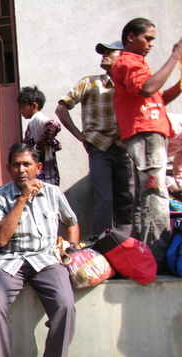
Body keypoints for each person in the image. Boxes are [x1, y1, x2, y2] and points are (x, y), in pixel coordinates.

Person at [0, 143, 78, 357]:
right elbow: (0, 239)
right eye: (15, 164)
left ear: (39, 167)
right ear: (8, 169)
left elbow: (71, 222)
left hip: (47, 259)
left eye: (26, 164)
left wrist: (72, 246)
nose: (21, 169)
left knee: (65, 304)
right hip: (9, 261)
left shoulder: (53, 193)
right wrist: (22, 198)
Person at [110, 18, 182, 270]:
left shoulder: (139, 64)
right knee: (155, 194)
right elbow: (148, 89)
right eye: (147, 38)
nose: (151, 44)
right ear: (131, 37)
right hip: (145, 134)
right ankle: (158, 258)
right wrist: (175, 56)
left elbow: (159, 97)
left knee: (146, 197)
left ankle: (147, 255)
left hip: (151, 133)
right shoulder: (127, 61)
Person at [56, 41, 133, 237]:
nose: (104, 55)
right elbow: (61, 108)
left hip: (124, 147)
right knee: (105, 199)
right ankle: (103, 243)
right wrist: (80, 136)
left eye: (110, 52)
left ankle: (127, 243)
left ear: (123, 57)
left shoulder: (128, 84)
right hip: (100, 148)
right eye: (103, 52)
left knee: (126, 198)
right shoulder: (89, 82)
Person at [18, 86, 62, 186]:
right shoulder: (33, 122)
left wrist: (37, 149)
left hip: (41, 172)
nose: (21, 111)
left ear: (34, 105)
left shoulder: (38, 119)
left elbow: (54, 125)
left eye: (23, 107)